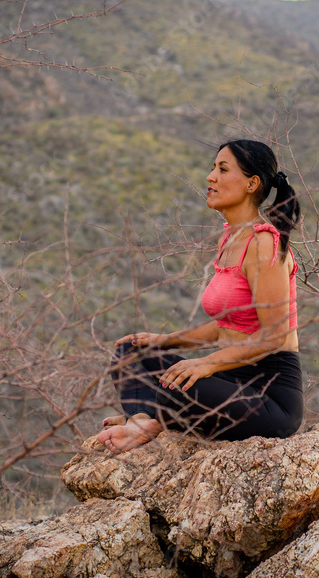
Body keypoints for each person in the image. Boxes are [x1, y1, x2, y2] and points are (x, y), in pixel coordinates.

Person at [97, 139, 303, 453]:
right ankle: (142, 420)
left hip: (268, 398)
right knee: (131, 354)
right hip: (229, 380)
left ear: (251, 184)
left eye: (223, 169)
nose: (210, 177)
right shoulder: (230, 239)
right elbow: (227, 327)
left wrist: (206, 364)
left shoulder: (264, 243)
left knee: (177, 385)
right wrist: (165, 341)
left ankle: (156, 415)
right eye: (213, 168)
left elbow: (275, 335)